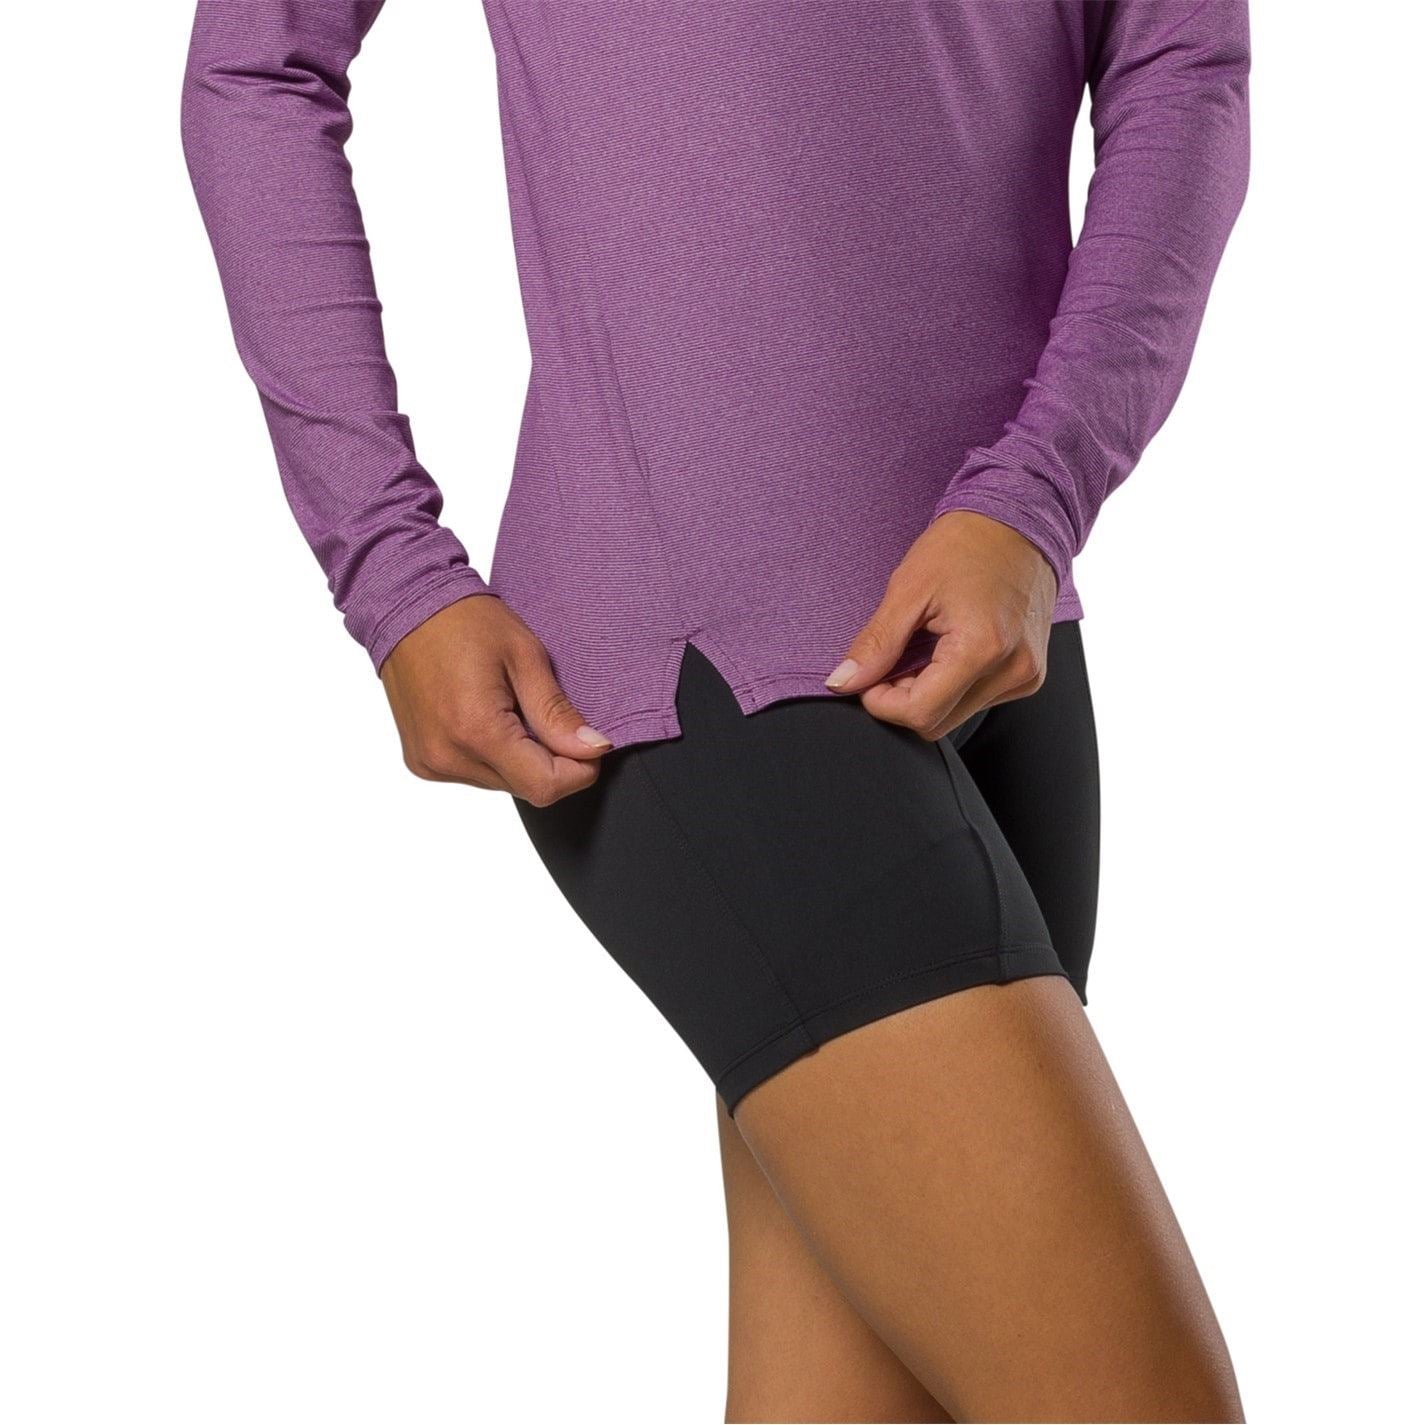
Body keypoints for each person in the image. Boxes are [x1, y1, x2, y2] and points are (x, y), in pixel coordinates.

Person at [183, 2, 1250, 1418]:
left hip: (997, 633)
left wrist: (1033, 498)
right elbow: (257, 61)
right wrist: (387, 565)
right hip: (706, 654)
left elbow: (1182, 60)